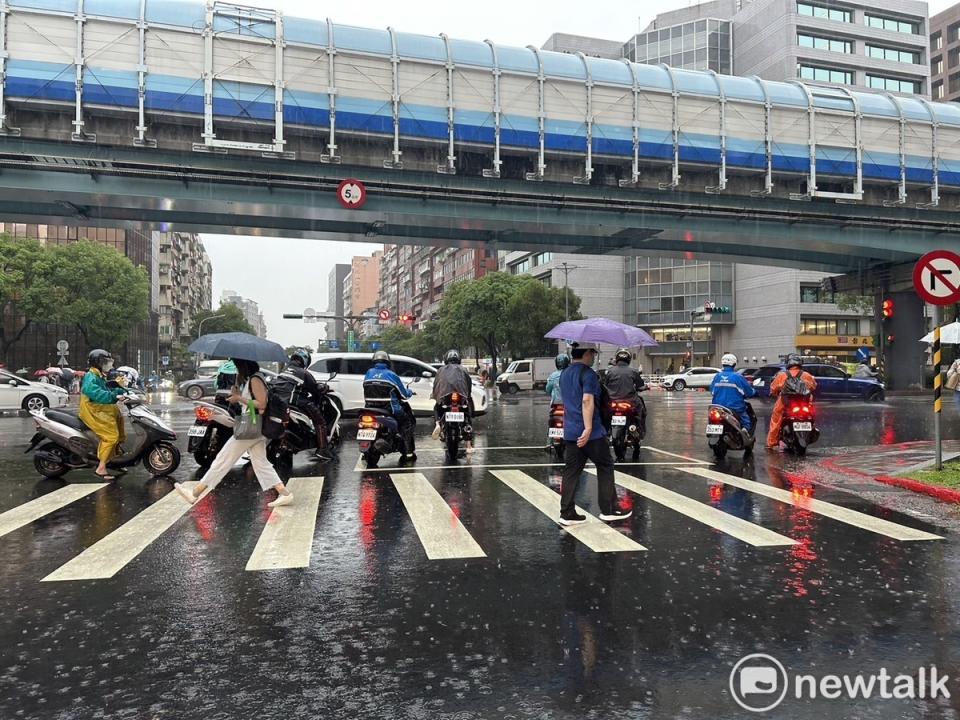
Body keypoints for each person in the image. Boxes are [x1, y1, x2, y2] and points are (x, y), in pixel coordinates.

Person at [175, 358, 293, 507]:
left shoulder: (255, 379)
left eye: (237, 366)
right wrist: (237, 395)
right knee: (261, 463)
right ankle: (284, 493)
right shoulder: (252, 378)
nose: (236, 370)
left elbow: (261, 404)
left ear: (243, 365)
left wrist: (239, 398)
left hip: (251, 428)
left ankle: (194, 493)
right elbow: (251, 402)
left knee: (223, 459)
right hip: (254, 427)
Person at [557, 343, 631, 526]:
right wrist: (588, 428)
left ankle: (566, 512)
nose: (594, 357)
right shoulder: (588, 374)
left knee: (572, 471)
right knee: (605, 465)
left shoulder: (564, 374)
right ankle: (609, 509)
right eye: (593, 354)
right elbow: (587, 401)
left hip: (571, 431)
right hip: (591, 432)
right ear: (587, 353)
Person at [79, 349, 129, 480]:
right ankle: (101, 468)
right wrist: (113, 395)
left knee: (120, 433)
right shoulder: (91, 377)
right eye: (104, 361)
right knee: (111, 437)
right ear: (97, 363)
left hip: (103, 409)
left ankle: (114, 460)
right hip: (93, 411)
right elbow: (96, 393)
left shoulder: (99, 375)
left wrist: (119, 388)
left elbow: (107, 389)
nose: (107, 364)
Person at [364, 350, 417, 460]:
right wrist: (410, 392)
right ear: (388, 362)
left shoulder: (368, 373)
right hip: (389, 409)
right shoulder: (391, 375)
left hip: (370, 408)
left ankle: (366, 454)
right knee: (406, 423)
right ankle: (408, 453)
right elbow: (404, 395)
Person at [285, 348, 333, 461]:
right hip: (296, 401)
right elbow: (315, 389)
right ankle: (323, 450)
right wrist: (323, 388)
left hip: (281, 402)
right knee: (320, 422)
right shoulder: (304, 373)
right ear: (304, 360)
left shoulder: (284, 370)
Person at [767, 354, 817, 450]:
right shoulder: (806, 375)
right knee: (812, 415)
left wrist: (775, 393)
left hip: (785, 403)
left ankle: (772, 443)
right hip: (804, 403)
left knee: (776, 419)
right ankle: (811, 430)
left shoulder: (782, 375)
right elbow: (813, 386)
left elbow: (773, 389)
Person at [430, 349, 475, 453]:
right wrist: (467, 395)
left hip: (445, 397)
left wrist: (435, 395)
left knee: (437, 407)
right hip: (461, 397)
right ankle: (469, 441)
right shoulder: (463, 369)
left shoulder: (441, 370)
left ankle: (438, 424)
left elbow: (436, 385)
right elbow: (469, 384)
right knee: (468, 412)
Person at [709, 353, 756, 433]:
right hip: (735, 408)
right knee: (746, 419)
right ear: (734, 364)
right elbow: (749, 392)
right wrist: (754, 392)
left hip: (718, 408)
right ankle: (745, 430)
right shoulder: (738, 377)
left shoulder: (717, 376)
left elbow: (712, 391)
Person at [603, 348, 648, 432]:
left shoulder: (610, 371)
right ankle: (641, 429)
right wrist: (645, 387)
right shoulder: (633, 371)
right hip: (630, 401)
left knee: (603, 412)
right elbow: (640, 385)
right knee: (641, 410)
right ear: (629, 359)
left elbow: (605, 385)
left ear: (617, 358)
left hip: (612, 401)